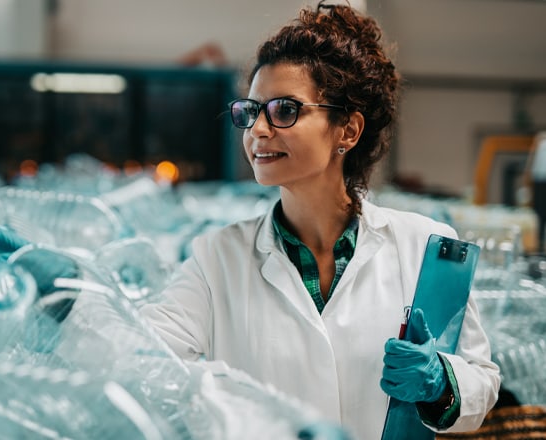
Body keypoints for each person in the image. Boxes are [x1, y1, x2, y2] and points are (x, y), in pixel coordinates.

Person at [139, 2, 500, 439]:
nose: (257, 131)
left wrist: (441, 384)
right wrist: (68, 301)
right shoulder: (217, 257)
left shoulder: (429, 249)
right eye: (251, 112)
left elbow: (482, 380)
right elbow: (140, 355)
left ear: (347, 130)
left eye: (284, 110)